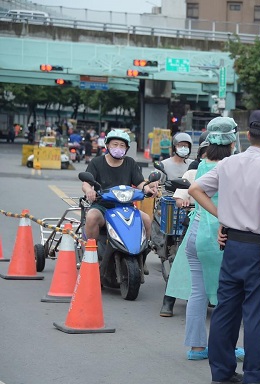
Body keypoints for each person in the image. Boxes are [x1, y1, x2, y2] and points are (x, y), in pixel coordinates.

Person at [188, 109, 260, 384]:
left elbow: (195, 189)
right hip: (259, 249)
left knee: (226, 309)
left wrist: (222, 216)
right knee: (255, 313)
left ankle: (221, 373)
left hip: (231, 245)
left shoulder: (229, 163)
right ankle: (256, 377)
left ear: (247, 136)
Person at [166, 117, 244, 362]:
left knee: (198, 293)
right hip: (218, 237)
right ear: (232, 141)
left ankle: (197, 348)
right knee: (227, 296)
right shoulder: (232, 166)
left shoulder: (202, 164)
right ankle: (227, 348)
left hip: (195, 235)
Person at [82, 129, 158, 243]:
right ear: (107, 145)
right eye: (115, 144)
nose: (119, 147)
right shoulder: (96, 162)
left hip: (126, 207)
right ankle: (90, 252)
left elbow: (140, 182)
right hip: (102, 206)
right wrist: (89, 191)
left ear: (127, 148)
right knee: (92, 217)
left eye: (122, 145)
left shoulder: (130, 163)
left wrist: (148, 189)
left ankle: (142, 253)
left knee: (146, 220)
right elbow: (86, 183)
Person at [157, 132, 194, 317]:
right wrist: (181, 200)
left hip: (215, 222)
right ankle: (168, 300)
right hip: (191, 216)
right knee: (182, 260)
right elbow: (180, 195)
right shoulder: (194, 169)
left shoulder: (222, 168)